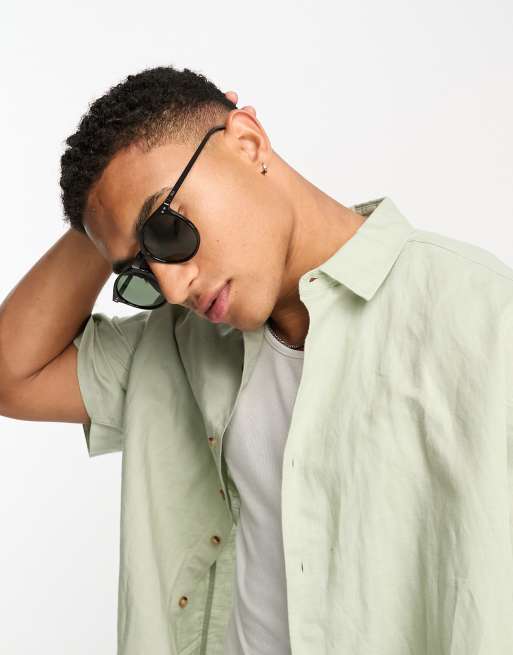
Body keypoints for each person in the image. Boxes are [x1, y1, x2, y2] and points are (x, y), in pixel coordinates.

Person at [1, 65, 513, 655]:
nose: (173, 288)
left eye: (166, 230)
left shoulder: (482, 319)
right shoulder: (177, 346)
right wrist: (107, 214)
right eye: (141, 272)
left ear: (248, 143)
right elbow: (12, 374)